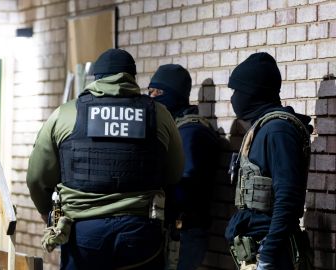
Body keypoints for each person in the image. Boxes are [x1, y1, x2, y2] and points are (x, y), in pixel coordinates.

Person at [26, 48, 184, 270]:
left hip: (83, 231)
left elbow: (37, 177)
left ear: (96, 78)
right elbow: (175, 172)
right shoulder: (159, 114)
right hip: (140, 230)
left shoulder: (66, 114)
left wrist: (46, 213)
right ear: (131, 76)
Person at [225, 52, 313, 270]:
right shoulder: (262, 128)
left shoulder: (278, 130)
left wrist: (268, 255)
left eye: (237, 90)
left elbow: (288, 196)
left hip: (274, 255)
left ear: (253, 92)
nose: (233, 98)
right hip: (259, 251)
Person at [148, 64, 219, 270]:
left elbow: (186, 187)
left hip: (183, 231)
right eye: (149, 91)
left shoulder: (191, 132)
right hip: (172, 228)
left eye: (157, 92)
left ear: (174, 95)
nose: (151, 96)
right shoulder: (175, 127)